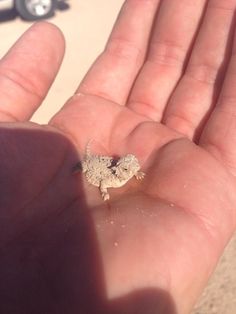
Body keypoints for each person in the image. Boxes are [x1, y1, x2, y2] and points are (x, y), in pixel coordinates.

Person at [0, 0, 236, 313]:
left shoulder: (125, 170)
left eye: (131, 165)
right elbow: (103, 185)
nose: (133, 165)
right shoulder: (111, 176)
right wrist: (100, 187)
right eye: (130, 165)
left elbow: (123, 171)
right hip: (94, 172)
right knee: (84, 165)